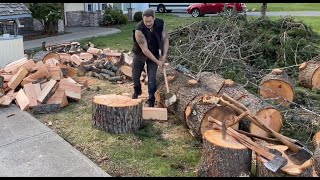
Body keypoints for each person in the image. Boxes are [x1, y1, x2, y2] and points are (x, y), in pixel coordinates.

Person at [131, 8, 169, 107]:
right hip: (140, 53)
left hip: (155, 51)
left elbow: (165, 39)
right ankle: (137, 91)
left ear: (154, 18)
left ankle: (151, 101)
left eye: (150, 21)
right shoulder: (139, 30)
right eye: (145, 21)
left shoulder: (161, 24)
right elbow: (145, 50)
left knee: (152, 79)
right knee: (135, 76)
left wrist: (164, 56)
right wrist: (157, 61)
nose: (148, 24)